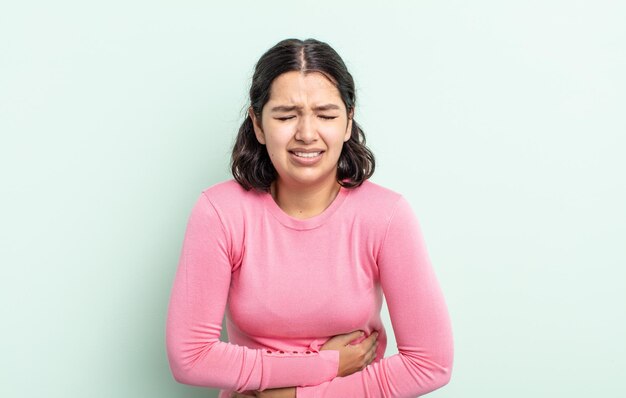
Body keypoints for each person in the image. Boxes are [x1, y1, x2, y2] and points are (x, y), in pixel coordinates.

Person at [166, 38, 454, 398]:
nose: (305, 133)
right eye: (286, 116)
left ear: (348, 122)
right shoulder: (220, 212)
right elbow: (190, 357)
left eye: (326, 115)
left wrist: (286, 396)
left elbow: (430, 363)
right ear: (258, 124)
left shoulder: (387, 216)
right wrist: (326, 363)